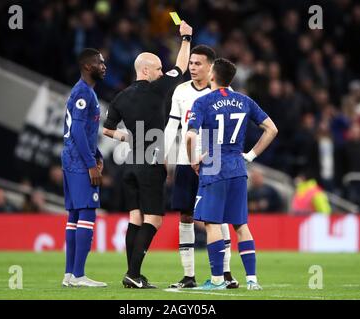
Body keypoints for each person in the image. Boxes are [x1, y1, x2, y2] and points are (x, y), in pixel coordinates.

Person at [103, 21, 193, 289]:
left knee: (135, 217)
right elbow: (181, 67)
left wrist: (126, 136)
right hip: (150, 162)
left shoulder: (120, 97)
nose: (162, 71)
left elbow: (108, 130)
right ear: (145, 70)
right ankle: (133, 273)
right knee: (154, 218)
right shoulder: (157, 89)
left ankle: (133, 275)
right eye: (158, 68)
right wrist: (186, 38)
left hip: (129, 163)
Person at [186, 58, 278, 290]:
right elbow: (272, 129)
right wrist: (251, 155)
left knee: (212, 223)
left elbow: (190, 136)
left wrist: (192, 160)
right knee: (240, 224)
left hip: (214, 165)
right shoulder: (244, 100)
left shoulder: (203, 102)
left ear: (212, 76)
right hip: (238, 165)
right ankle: (252, 280)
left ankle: (217, 280)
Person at [164, 45, 238, 289]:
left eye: (198, 64)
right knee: (185, 216)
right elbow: (172, 126)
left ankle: (226, 273)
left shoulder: (224, 93)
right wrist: (162, 155)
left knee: (219, 217)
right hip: (186, 162)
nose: (192, 68)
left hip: (214, 163)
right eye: (191, 63)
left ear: (210, 66)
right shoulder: (181, 91)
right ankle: (188, 276)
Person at [61, 48, 107, 287]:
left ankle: (70, 274)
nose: (104, 66)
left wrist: (97, 153)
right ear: (88, 66)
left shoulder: (86, 91)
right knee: (87, 212)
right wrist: (91, 164)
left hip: (72, 157)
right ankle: (78, 275)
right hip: (78, 161)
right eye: (100, 63)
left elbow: (84, 132)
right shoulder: (83, 93)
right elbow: (77, 130)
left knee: (75, 215)